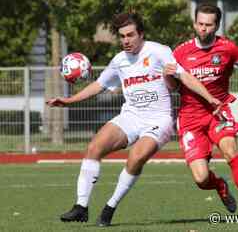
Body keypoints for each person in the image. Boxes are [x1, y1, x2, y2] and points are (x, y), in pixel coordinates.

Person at [46, 12, 221, 227]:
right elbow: (99, 85)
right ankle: (81, 207)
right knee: (94, 147)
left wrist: (210, 98)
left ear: (141, 34)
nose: (126, 41)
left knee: (136, 156)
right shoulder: (119, 61)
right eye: (122, 37)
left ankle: (110, 207)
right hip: (131, 116)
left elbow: (184, 77)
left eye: (130, 35)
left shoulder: (159, 51)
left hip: (159, 120)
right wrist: (69, 100)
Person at [164, 3, 238, 219]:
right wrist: (167, 75)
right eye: (200, 24)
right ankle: (219, 185)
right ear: (194, 23)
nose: (203, 28)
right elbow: (172, 87)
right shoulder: (180, 52)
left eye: (208, 25)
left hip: (218, 111)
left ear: (217, 26)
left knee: (230, 150)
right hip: (190, 117)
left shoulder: (228, 48)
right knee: (201, 179)